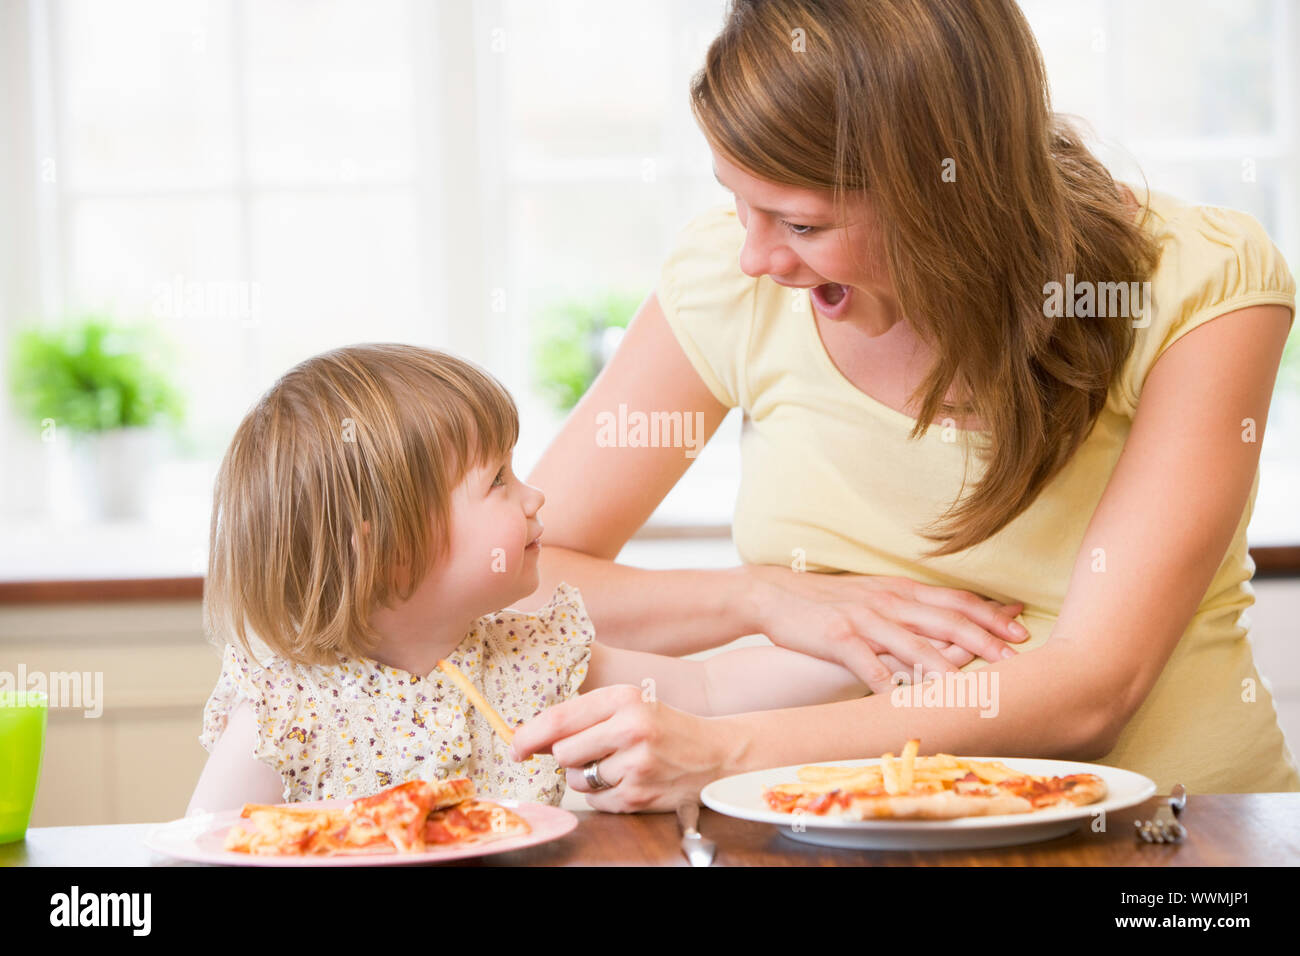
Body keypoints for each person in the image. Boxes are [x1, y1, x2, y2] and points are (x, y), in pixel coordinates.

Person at [508, 0, 1300, 810]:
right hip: (822, 838)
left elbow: (1091, 691)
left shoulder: (1196, 280)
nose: (756, 255)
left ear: (948, 195)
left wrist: (728, 749)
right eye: (738, 199)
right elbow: (512, 576)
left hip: (1178, 834)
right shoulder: (725, 285)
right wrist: (761, 596)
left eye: (802, 222)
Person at [187, 344, 932, 815]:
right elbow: (201, 857)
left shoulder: (536, 654)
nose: (535, 496)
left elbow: (706, 694)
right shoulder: (284, 712)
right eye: (499, 481)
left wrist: (881, 649)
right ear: (392, 553)